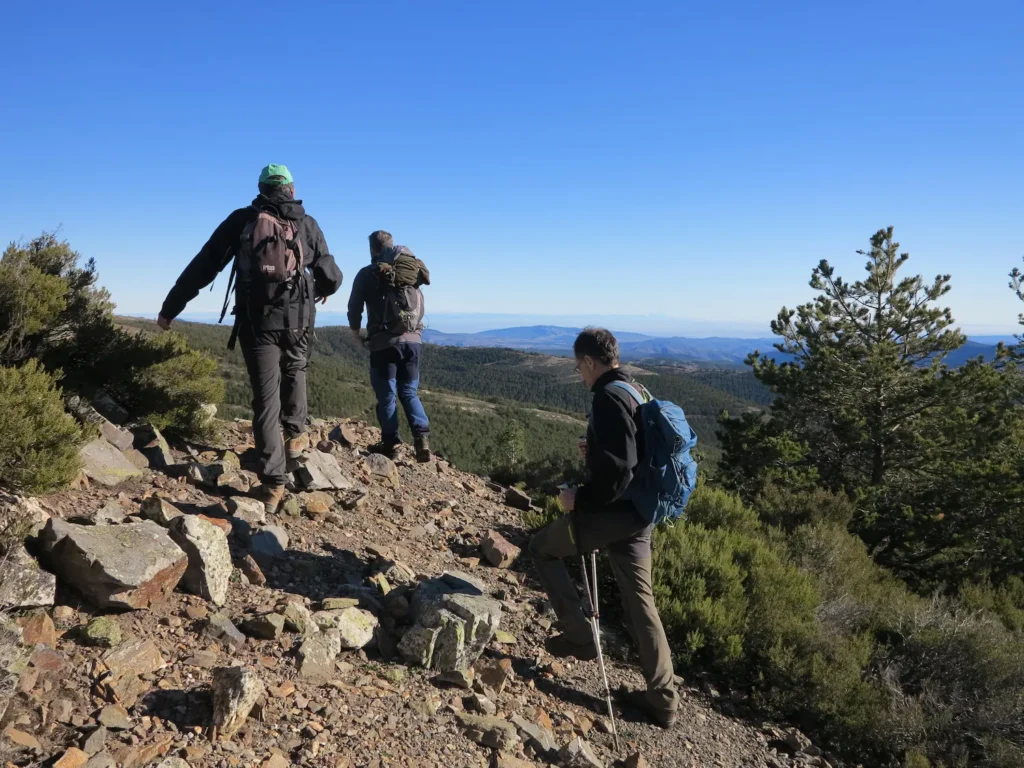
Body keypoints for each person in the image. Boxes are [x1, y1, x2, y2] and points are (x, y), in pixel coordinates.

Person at [158, 164, 342, 511]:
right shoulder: (307, 222)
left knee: (265, 399)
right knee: (296, 371)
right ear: (290, 189)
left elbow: (204, 264)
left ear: (260, 188)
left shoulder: (242, 220)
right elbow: (330, 275)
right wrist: (324, 287)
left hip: (257, 320)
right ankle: (297, 437)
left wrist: (171, 307)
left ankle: (273, 485)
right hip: (300, 319)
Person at [529, 327, 679, 729]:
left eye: (580, 366)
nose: (579, 373)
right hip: (640, 516)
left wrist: (578, 500)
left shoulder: (607, 398)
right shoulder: (635, 390)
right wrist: (594, 448)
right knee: (641, 603)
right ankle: (663, 700)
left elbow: (616, 478)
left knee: (542, 548)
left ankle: (579, 637)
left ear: (591, 362)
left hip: (610, 515)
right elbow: (632, 453)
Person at [347, 230, 431, 462]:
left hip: (384, 343)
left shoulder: (368, 274)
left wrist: (357, 334)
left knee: (387, 395)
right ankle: (422, 438)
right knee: (409, 391)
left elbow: (354, 307)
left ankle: (391, 444)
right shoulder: (410, 270)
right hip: (413, 341)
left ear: (373, 249)